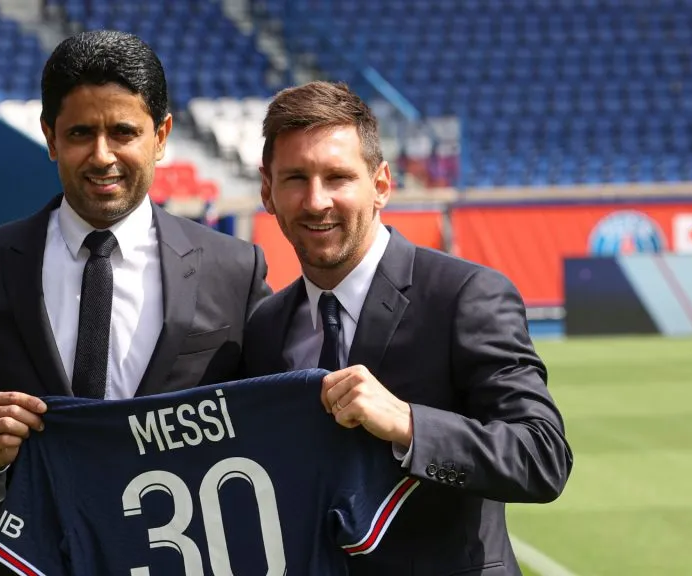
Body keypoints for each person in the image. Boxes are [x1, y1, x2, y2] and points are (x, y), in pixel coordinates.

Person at [0, 30, 272, 575]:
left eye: (124, 132)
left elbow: (275, 432)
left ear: (161, 136)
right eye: (81, 133)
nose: (102, 155)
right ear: (50, 137)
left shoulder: (233, 269)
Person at [241, 81, 573, 575]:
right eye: (295, 179)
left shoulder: (466, 296)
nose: (316, 201)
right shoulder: (266, 326)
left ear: (380, 185)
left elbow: (542, 456)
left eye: (338, 177)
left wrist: (409, 424)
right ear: (267, 191)